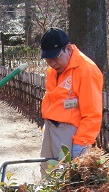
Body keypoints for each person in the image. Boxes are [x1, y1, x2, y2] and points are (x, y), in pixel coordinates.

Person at [39, 27, 103, 171]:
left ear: (68, 49)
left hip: (71, 133)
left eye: (55, 58)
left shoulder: (86, 71)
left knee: (64, 179)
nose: (53, 64)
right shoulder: (54, 70)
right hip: (51, 128)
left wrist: (81, 144)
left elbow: (92, 113)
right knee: (48, 174)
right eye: (48, 59)